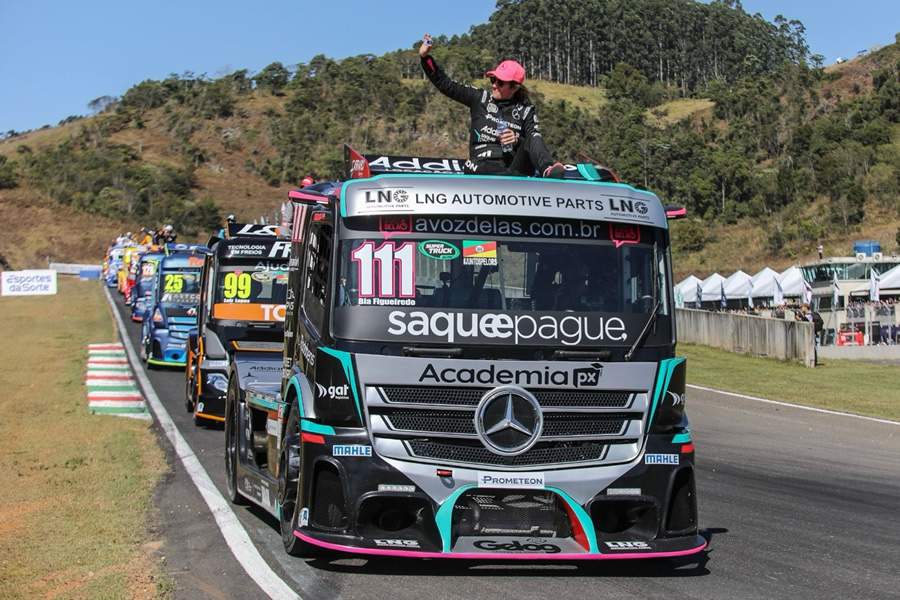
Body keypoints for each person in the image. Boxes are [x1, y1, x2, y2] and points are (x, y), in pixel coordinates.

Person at [419, 33, 565, 178]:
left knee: (532, 138)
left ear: (514, 87)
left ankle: (548, 170)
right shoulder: (480, 98)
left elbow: (534, 141)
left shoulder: (526, 111)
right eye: (493, 80)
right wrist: (426, 58)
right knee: (474, 166)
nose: (494, 85)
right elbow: (446, 85)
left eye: (500, 83)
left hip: (512, 170)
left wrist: (516, 140)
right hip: (481, 166)